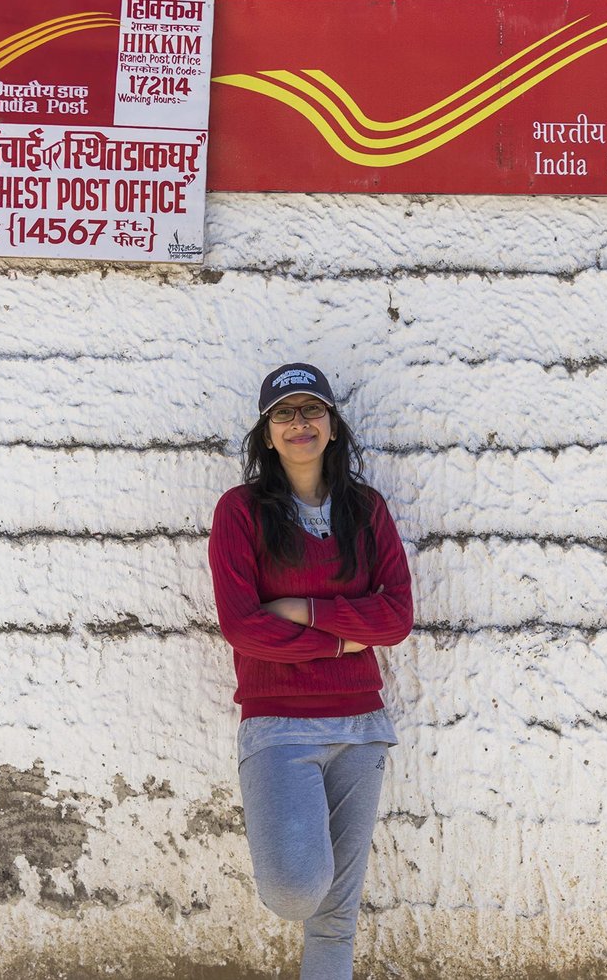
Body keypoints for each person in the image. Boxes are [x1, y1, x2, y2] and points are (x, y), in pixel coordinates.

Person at [207, 362, 414, 980]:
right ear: (267, 434)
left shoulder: (367, 510)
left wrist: (303, 610)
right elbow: (244, 626)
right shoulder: (240, 513)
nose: (300, 423)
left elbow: (397, 616)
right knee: (298, 889)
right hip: (279, 729)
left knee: (337, 917)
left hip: (362, 727)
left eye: (311, 410)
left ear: (331, 425)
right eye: (284, 413)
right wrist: (342, 641)